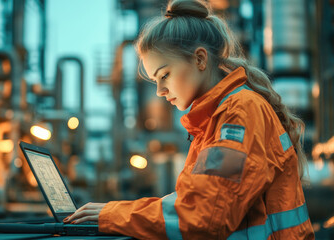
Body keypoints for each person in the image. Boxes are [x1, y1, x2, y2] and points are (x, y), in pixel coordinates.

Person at [64, 0, 315, 239]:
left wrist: (115, 215)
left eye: (165, 75)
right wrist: (117, 212)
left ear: (200, 59)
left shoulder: (239, 114)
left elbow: (205, 217)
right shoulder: (215, 119)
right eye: (155, 80)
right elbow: (196, 200)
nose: (159, 91)